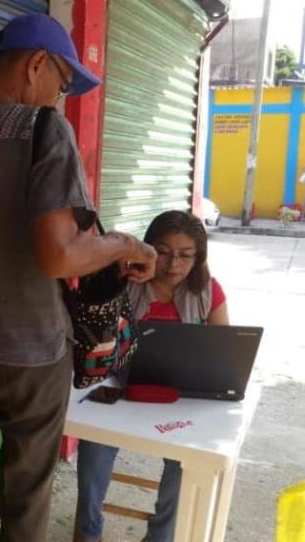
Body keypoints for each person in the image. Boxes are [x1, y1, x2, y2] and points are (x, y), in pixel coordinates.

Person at [0, 13, 157, 542]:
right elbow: (59, 256)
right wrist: (127, 244)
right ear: (36, 64)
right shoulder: (43, 129)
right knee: (25, 498)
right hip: (29, 352)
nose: (58, 99)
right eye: (61, 85)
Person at [74, 210, 230, 542]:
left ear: (198, 257)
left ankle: (160, 537)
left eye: (186, 255)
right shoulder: (125, 283)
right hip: (120, 385)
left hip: (180, 396)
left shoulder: (208, 291)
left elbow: (223, 348)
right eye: (164, 252)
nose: (174, 264)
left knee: (184, 464)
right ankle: (87, 534)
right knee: (94, 446)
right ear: (147, 248)